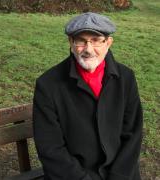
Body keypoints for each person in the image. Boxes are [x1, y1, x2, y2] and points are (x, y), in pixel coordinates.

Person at [33, 12, 143, 180]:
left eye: (96, 40)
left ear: (108, 43)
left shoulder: (126, 78)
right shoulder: (48, 85)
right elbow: (51, 148)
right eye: (81, 41)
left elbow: (132, 135)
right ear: (70, 42)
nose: (88, 49)